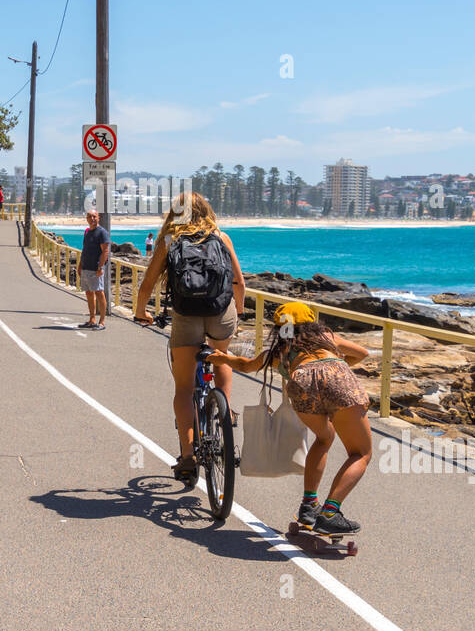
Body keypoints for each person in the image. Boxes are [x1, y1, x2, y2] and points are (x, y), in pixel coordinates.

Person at [207, 302, 371, 538]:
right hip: (337, 378)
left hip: (301, 383)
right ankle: (330, 513)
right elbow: (362, 354)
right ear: (310, 322)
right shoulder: (326, 337)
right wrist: (339, 367)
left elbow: (245, 365)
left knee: (324, 438)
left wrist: (222, 358)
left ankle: (309, 505)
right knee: (360, 453)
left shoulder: (278, 354)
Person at [134, 192, 245, 485]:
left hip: (187, 316)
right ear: (206, 210)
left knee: (184, 387)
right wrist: (240, 311)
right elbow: (239, 282)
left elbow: (147, 285)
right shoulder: (221, 236)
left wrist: (141, 312)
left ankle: (187, 457)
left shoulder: (170, 240)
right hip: (221, 313)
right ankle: (225, 416)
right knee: (222, 358)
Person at [78, 208, 110, 330]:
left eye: (94, 216)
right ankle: (92, 319)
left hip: (96, 269)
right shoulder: (87, 232)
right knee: (89, 293)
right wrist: (80, 265)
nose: (92, 219)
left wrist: (101, 267)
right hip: (86, 268)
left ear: (98, 218)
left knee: (99, 293)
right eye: (90, 216)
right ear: (86, 219)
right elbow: (85, 250)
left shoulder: (102, 232)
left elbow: (105, 251)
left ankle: (101, 322)